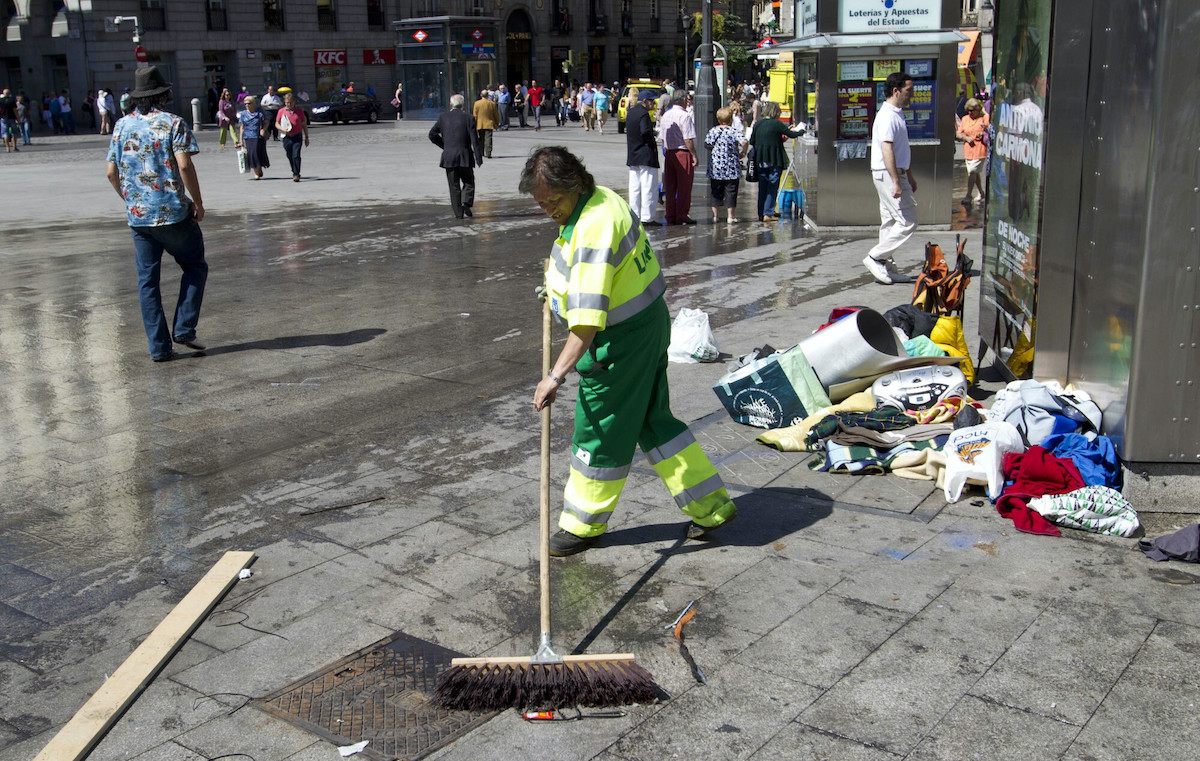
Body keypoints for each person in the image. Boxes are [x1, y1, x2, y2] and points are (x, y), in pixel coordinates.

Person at [520, 146, 738, 556]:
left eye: (553, 202)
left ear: (576, 185)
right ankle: (711, 506)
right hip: (648, 322)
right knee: (653, 421)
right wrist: (555, 292)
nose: (549, 210)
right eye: (541, 204)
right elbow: (587, 275)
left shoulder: (592, 230)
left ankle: (582, 525)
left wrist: (554, 376)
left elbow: (585, 325)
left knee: (599, 430)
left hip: (617, 343)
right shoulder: (602, 197)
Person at [105, 65, 207, 363]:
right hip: (173, 213)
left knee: (147, 282)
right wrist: (198, 203)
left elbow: (111, 172)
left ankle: (160, 349)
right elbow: (185, 166)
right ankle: (185, 329)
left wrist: (132, 199)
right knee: (195, 266)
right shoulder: (172, 123)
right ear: (163, 94)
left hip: (139, 218)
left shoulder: (122, 126)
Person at [864, 71, 918, 284]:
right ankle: (875, 257)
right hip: (888, 174)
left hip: (891, 173)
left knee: (889, 221)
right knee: (908, 220)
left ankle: (887, 266)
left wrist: (908, 176)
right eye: (908, 91)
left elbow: (899, 150)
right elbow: (887, 149)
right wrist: (896, 180)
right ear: (896, 91)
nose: (911, 95)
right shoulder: (887, 116)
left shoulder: (895, 113)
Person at [428, 93, 483, 219]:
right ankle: (466, 202)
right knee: (469, 181)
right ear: (462, 105)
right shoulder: (468, 117)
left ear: (450, 104)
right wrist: (479, 158)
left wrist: (444, 145)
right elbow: (475, 139)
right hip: (465, 155)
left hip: (449, 157)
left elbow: (432, 134)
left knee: (453, 186)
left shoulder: (443, 117)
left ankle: (458, 214)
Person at [748, 100, 804, 222]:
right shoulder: (777, 124)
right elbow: (792, 135)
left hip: (760, 160)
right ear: (776, 112)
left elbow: (752, 141)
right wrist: (801, 131)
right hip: (775, 160)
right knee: (772, 186)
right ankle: (768, 213)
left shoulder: (758, 124)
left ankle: (761, 212)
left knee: (763, 187)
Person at [658, 89, 698, 225]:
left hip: (669, 153)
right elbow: (688, 139)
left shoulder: (666, 116)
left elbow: (662, 138)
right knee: (684, 186)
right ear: (683, 100)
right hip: (683, 153)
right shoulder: (684, 116)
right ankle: (682, 215)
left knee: (670, 186)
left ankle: (670, 214)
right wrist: (694, 155)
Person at [705, 107, 749, 224]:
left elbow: (707, 144)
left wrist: (714, 149)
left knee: (715, 191)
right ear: (730, 120)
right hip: (731, 166)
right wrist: (743, 152)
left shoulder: (713, 131)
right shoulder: (733, 131)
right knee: (731, 191)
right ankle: (730, 216)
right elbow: (744, 141)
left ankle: (715, 215)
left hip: (716, 167)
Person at [626, 90, 660, 225]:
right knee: (648, 187)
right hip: (645, 154)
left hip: (633, 154)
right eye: (651, 101)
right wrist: (651, 138)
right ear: (644, 101)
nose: (654, 103)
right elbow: (645, 131)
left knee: (635, 187)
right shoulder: (643, 114)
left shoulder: (631, 112)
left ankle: (634, 215)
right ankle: (647, 217)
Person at [957, 97, 989, 207]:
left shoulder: (984, 118)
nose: (970, 112)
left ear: (978, 109)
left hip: (980, 149)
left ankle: (968, 195)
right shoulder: (965, 119)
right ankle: (981, 193)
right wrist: (966, 138)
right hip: (968, 150)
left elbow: (991, 132)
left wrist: (984, 130)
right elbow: (959, 133)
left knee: (972, 171)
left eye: (972, 110)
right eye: (968, 110)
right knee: (974, 173)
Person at [276, 92, 309, 182]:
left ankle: (296, 174)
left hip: (297, 136)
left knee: (296, 155)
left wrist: (306, 137)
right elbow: (276, 124)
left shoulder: (299, 111)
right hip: (286, 137)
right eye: (287, 102)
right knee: (290, 155)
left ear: (294, 102)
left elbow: (304, 124)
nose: (289, 104)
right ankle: (294, 169)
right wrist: (282, 129)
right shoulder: (281, 111)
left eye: (290, 102)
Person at [235, 95, 270, 180]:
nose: (247, 105)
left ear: (253, 103)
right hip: (248, 136)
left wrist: (263, 130)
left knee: (258, 153)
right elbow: (242, 127)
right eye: (245, 104)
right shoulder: (243, 114)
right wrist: (241, 140)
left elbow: (266, 122)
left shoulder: (259, 112)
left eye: (249, 103)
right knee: (252, 154)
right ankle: (256, 173)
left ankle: (259, 168)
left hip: (258, 136)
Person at [472, 88, 499, 159]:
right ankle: (488, 153)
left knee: (481, 139)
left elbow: (475, 115)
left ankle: (481, 152)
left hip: (479, 124)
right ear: (488, 95)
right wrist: (496, 123)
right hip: (489, 123)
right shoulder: (492, 104)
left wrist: (474, 124)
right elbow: (496, 115)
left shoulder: (476, 103)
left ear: (481, 95)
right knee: (488, 139)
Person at [0, 89, 18, 153]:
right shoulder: (12, 100)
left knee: (5, 133)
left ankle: (7, 148)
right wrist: (17, 118)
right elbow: (15, 110)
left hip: (3, 118)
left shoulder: (1, 100)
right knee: (14, 132)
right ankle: (14, 146)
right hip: (12, 118)